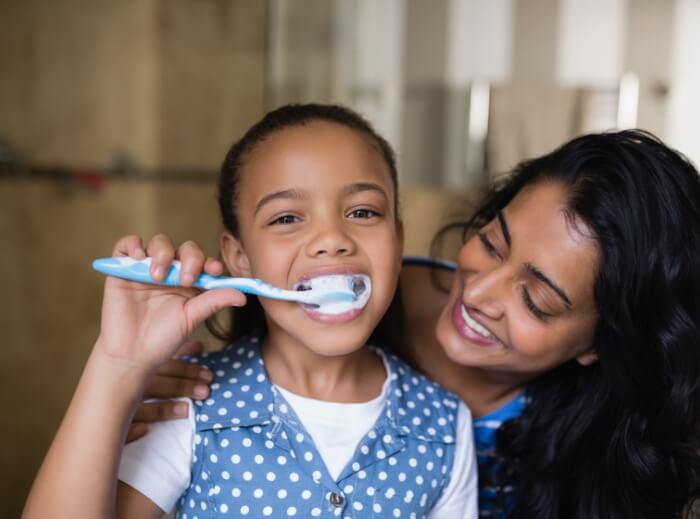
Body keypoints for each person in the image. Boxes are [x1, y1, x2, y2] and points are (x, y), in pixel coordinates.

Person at [123, 129, 700, 518]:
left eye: (538, 301)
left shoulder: (597, 455)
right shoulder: (356, 292)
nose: (479, 292)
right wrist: (130, 384)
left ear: (602, 345)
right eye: (492, 244)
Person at [22, 104, 478, 519]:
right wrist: (117, 366)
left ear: (398, 240)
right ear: (239, 257)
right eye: (286, 218)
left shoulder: (443, 426)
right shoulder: (189, 406)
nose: (331, 238)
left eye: (362, 211)